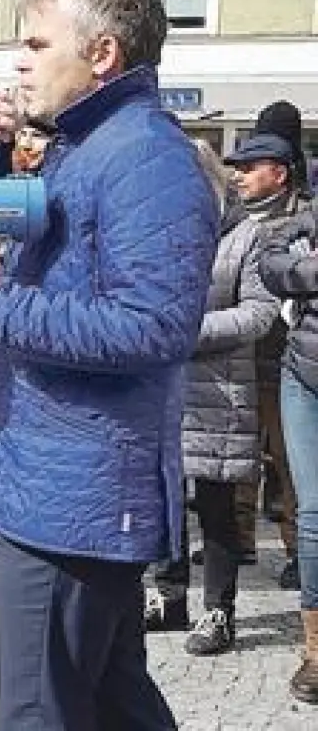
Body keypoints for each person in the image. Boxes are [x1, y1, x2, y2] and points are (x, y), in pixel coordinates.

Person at [0, 0, 218, 728]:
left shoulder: (146, 158)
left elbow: (156, 326)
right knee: (108, 697)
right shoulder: (87, 144)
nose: (19, 61)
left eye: (36, 42)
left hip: (75, 493)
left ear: (101, 54)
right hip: (62, 478)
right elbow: (16, 226)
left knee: (41, 709)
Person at [144, 140, 276, 656]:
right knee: (164, 499)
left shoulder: (248, 235)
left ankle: (219, 610)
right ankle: (168, 596)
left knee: (217, 505)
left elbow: (258, 314)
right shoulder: (158, 232)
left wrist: (188, 330)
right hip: (163, 385)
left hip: (220, 388)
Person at [226, 127, 310, 591]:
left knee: (289, 462)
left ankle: (299, 550)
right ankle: (238, 538)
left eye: (247, 168)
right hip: (239, 356)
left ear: (277, 174)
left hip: (286, 360)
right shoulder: (235, 217)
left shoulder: (303, 219)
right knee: (240, 455)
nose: (237, 176)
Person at [260, 186, 318, 704]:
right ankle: (317, 651)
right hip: (306, 374)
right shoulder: (306, 219)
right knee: (315, 513)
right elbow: (273, 260)